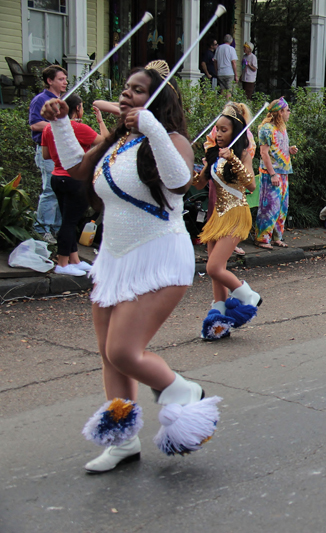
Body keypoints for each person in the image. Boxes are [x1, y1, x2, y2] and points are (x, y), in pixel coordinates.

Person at [41, 61, 221, 472]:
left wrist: (151, 127)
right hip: (114, 258)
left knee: (124, 350)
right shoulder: (117, 142)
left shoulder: (172, 139)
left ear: (157, 101)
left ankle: (181, 390)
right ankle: (122, 441)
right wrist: (63, 122)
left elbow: (178, 182)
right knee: (110, 356)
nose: (125, 94)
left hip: (158, 255)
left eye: (137, 90)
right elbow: (76, 169)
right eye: (125, 88)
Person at [194, 103, 261, 340]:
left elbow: (251, 185)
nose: (219, 134)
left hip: (236, 213)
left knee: (213, 267)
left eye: (224, 130)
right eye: (217, 130)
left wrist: (233, 159)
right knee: (215, 271)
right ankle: (219, 319)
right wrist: (194, 171)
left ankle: (248, 295)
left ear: (235, 132)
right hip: (217, 216)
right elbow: (199, 185)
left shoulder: (242, 154)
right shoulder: (213, 155)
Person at [40, 94, 105, 276]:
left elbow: (45, 155)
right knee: (70, 223)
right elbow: (107, 143)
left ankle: (74, 259)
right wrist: (100, 122)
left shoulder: (48, 128)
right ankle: (62, 263)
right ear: (77, 109)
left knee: (67, 219)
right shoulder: (79, 127)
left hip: (57, 178)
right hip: (76, 179)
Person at [30, 65, 69, 244]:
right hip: (47, 151)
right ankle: (42, 229)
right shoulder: (41, 100)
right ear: (50, 80)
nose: (65, 82)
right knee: (49, 189)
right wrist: (56, 124)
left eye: (65, 79)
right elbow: (35, 125)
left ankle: (56, 228)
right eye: (61, 79)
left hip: (61, 150)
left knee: (61, 189)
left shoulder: (62, 100)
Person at [256, 97, 297, 249]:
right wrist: (272, 173)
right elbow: (264, 153)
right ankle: (262, 238)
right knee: (269, 206)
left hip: (283, 172)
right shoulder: (266, 128)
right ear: (280, 112)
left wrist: (289, 150)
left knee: (282, 206)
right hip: (270, 173)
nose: (289, 113)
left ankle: (276, 237)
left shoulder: (282, 128)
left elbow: (277, 149)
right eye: (287, 110)